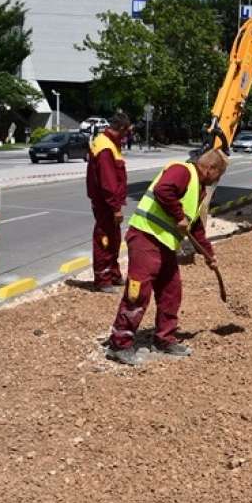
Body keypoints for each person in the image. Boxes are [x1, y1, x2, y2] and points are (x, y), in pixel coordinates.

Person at [105, 149, 228, 365]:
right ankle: (119, 344)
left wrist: (209, 255)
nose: (217, 180)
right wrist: (178, 215)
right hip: (146, 237)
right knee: (138, 292)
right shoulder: (182, 171)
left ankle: (164, 338)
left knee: (172, 290)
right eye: (219, 175)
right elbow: (164, 190)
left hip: (164, 244)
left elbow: (196, 228)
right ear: (210, 169)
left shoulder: (197, 190)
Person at [86, 112, 132, 293]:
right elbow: (108, 181)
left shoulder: (108, 143)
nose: (127, 136)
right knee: (104, 240)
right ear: (120, 129)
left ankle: (113, 274)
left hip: (108, 203)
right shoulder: (105, 148)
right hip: (106, 204)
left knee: (113, 239)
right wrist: (115, 207)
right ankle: (103, 279)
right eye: (126, 132)